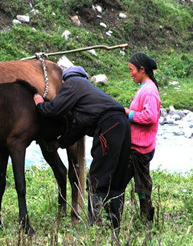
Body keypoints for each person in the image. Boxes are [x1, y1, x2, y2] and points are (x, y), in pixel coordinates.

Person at [33, 66, 131, 229]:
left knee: (97, 177)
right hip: (122, 125)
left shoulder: (73, 83)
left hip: (108, 127)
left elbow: (54, 109)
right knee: (116, 177)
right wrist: (60, 143)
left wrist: (39, 104)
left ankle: (96, 225)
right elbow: (78, 128)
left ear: (65, 80)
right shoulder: (88, 96)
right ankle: (114, 225)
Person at [125, 52, 161, 222]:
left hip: (140, 147)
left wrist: (129, 114)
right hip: (138, 145)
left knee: (139, 184)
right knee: (141, 183)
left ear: (142, 70)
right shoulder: (145, 88)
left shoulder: (149, 91)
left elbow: (150, 117)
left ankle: (146, 219)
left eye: (132, 70)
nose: (131, 74)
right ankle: (145, 218)